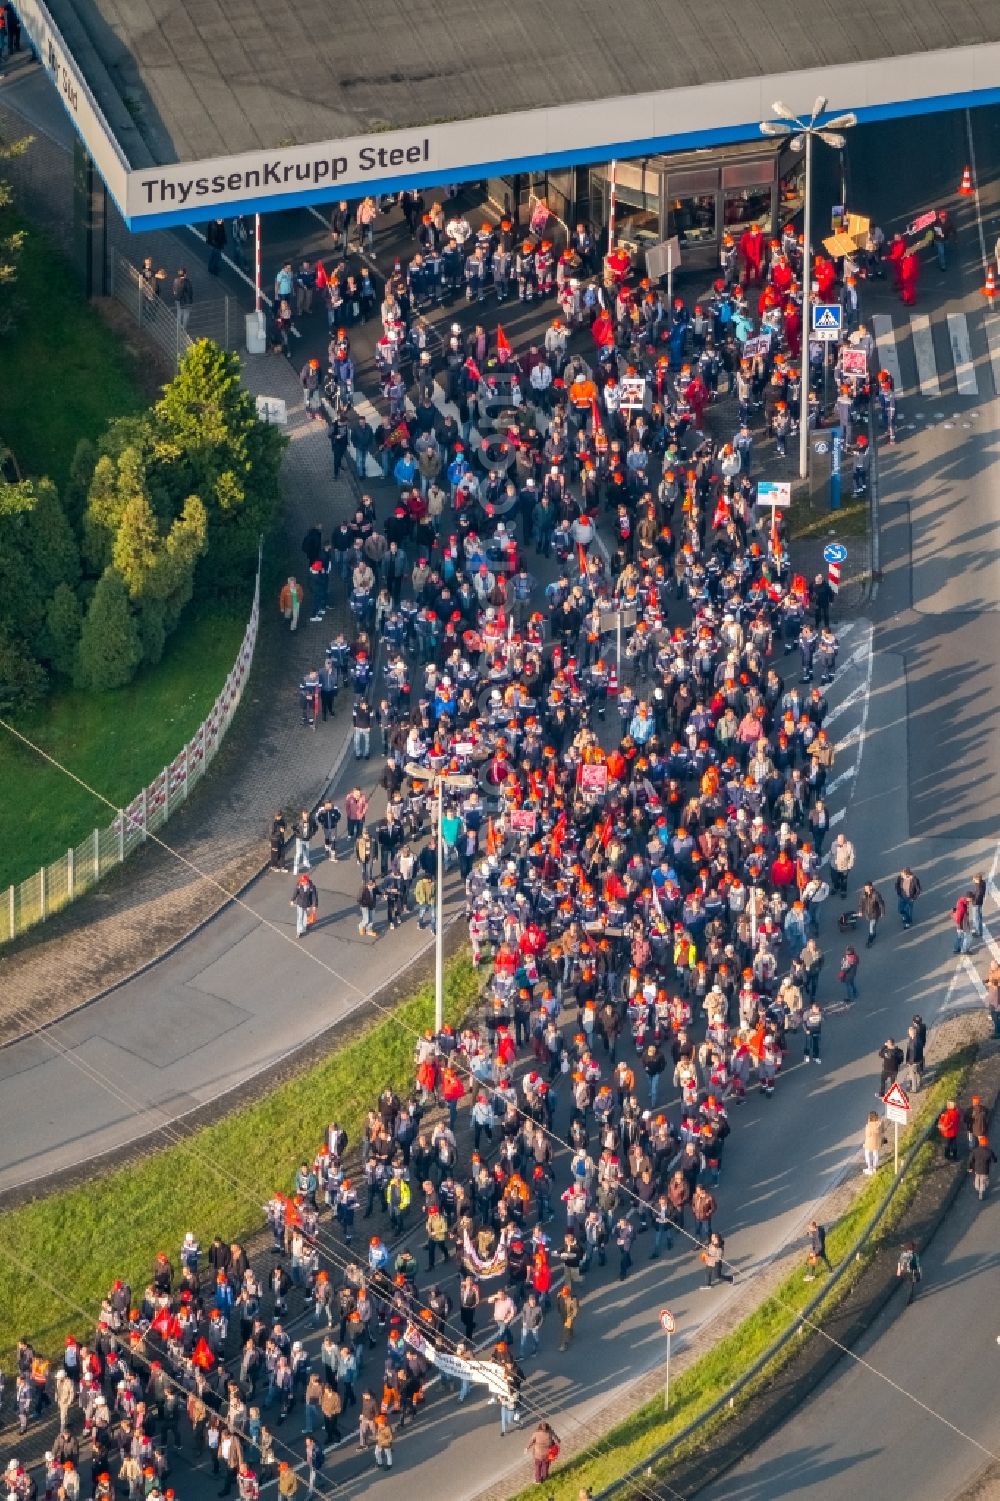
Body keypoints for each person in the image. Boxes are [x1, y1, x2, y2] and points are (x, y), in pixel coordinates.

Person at [969, 1135, 997, 1200]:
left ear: (979, 1143)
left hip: (977, 1168)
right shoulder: (989, 1151)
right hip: (985, 1169)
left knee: (977, 1177)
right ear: (986, 1143)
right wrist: (995, 1160)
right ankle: (981, 1192)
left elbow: (971, 1159)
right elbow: (994, 1159)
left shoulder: (975, 1150)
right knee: (983, 1180)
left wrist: (970, 1167)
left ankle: (977, 1187)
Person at [858, 881, 886, 947]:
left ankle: (870, 940)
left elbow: (881, 904)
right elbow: (861, 903)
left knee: (871, 926)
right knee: (872, 925)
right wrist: (860, 911)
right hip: (867, 913)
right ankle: (874, 933)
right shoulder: (863, 894)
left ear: (871, 887)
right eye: (865, 888)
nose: (866, 889)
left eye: (867, 888)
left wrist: (882, 912)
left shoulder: (876, 894)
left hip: (874, 913)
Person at [290, 874, 317, 938]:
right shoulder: (299, 885)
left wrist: (314, 905)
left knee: (305, 916)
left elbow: (314, 896)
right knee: (300, 917)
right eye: (301, 881)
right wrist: (292, 900)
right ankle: (299, 931)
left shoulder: (311, 887)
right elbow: (295, 892)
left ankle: (304, 927)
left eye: (303, 882)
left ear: (307, 881)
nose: (302, 883)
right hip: (300, 904)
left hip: (308, 904)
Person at [863, 1110, 882, 1175]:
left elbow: (867, 1135)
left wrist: (868, 1123)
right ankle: (874, 1168)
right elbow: (882, 1130)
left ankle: (869, 1168)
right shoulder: (880, 1123)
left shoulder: (868, 1126)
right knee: (875, 1154)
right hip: (877, 1141)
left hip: (869, 1143)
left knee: (867, 1154)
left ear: (870, 1117)